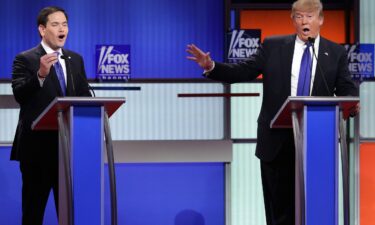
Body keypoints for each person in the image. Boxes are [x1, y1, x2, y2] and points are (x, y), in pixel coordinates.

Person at [186, 0, 359, 224]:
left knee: (316, 210)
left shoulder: (335, 52)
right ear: (293, 20)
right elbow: (243, 71)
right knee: (280, 213)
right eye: (299, 16)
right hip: (277, 143)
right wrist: (211, 66)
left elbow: (346, 88)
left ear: (321, 20)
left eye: (309, 16)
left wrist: (352, 104)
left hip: (317, 143)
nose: (304, 21)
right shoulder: (273, 46)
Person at [11, 6, 91, 225]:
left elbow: (84, 96)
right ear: (42, 29)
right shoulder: (25, 59)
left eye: (64, 24)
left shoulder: (75, 60)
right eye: (55, 24)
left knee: (68, 213)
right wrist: (40, 75)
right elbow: (19, 94)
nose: (61, 29)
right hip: (37, 150)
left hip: (68, 150)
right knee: (33, 212)